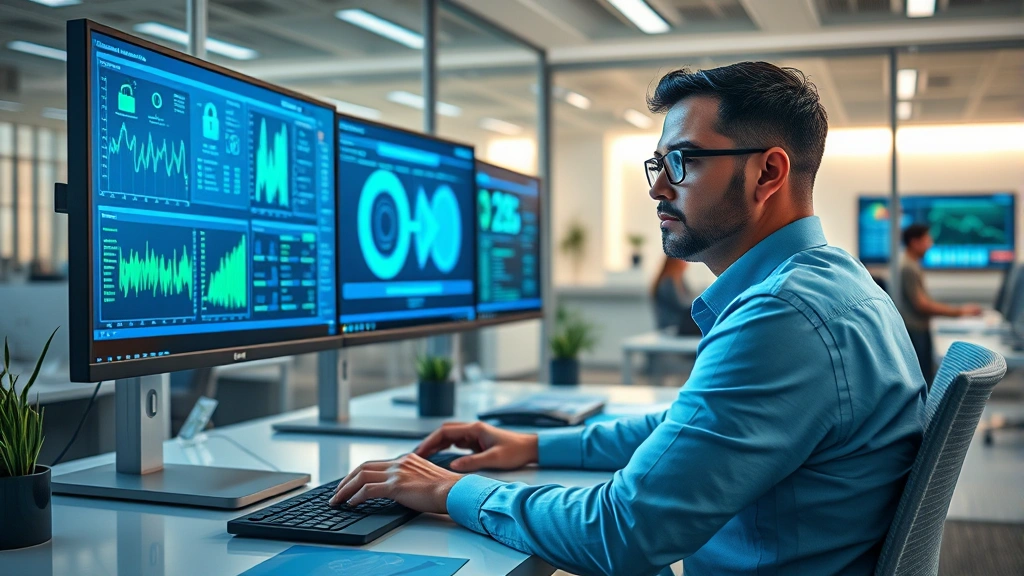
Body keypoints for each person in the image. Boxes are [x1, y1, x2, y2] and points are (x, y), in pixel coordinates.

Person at [328, 62, 926, 576]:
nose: (659, 187)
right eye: (659, 163)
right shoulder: (836, 284)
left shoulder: (784, 315)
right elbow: (690, 431)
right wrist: (534, 445)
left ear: (769, 173)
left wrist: (453, 489)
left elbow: (622, 533)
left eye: (685, 161)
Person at [895, 223, 982, 384]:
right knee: (923, 379)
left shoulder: (911, 264)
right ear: (915, 242)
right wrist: (959, 312)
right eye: (927, 240)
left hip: (917, 329)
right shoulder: (908, 267)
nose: (930, 244)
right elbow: (922, 304)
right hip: (915, 330)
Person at [651, 256, 699, 335]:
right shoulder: (667, 283)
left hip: (678, 327)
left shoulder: (680, 281)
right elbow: (683, 305)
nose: (686, 263)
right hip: (670, 327)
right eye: (683, 260)